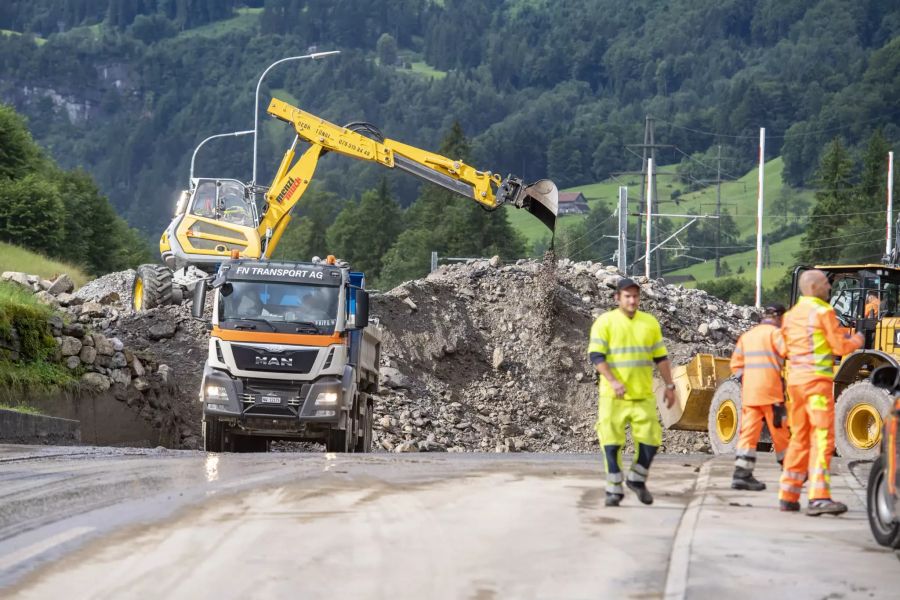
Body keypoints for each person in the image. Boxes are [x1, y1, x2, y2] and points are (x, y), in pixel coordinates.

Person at [779, 270, 864, 515]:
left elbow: (784, 348)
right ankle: (819, 497)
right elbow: (839, 346)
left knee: (799, 438)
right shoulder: (823, 312)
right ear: (815, 286)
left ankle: (789, 495)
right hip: (816, 384)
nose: (830, 288)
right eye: (827, 284)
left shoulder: (792, 315)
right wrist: (857, 340)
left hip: (795, 384)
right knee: (822, 439)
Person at [588, 278, 676, 507]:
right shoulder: (605, 322)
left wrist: (669, 386)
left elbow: (661, 358)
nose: (632, 300)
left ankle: (637, 478)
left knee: (651, 439)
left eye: (635, 296)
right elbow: (596, 356)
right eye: (627, 296)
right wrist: (613, 381)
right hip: (613, 395)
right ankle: (613, 490)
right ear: (617, 298)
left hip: (642, 394)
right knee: (611, 442)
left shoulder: (649, 323)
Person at [729, 303, 791, 491]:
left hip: (750, 394)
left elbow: (735, 365)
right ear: (780, 318)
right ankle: (791, 472)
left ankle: (741, 474)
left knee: (748, 433)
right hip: (771, 393)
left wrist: (749, 381)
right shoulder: (776, 334)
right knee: (780, 432)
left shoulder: (748, 336)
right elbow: (789, 353)